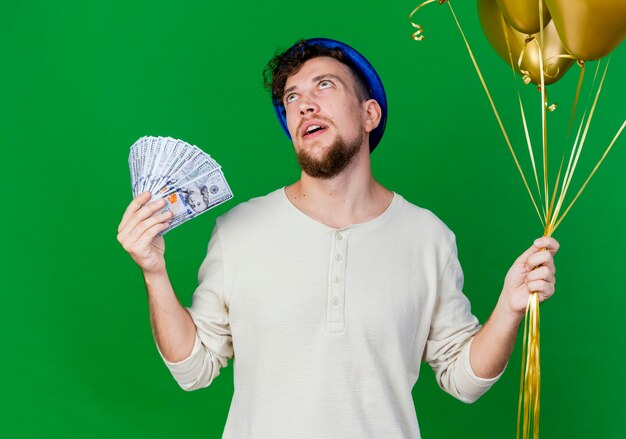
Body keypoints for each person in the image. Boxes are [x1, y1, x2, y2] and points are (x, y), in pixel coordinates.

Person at [117, 38, 558, 438]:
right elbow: (193, 368)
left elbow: (463, 380)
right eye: (292, 97)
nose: (304, 104)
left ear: (370, 114)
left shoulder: (428, 237)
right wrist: (155, 273)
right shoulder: (238, 231)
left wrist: (509, 306)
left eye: (324, 86)